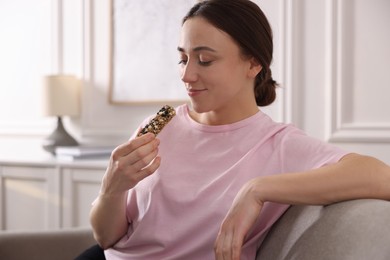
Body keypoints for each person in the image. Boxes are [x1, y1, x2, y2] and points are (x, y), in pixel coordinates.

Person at [86, 0, 390, 259]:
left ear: (253, 63)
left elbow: (381, 177)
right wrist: (111, 189)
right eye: (183, 58)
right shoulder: (157, 129)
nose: (187, 74)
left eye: (205, 60)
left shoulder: (278, 145)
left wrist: (256, 190)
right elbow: (106, 238)